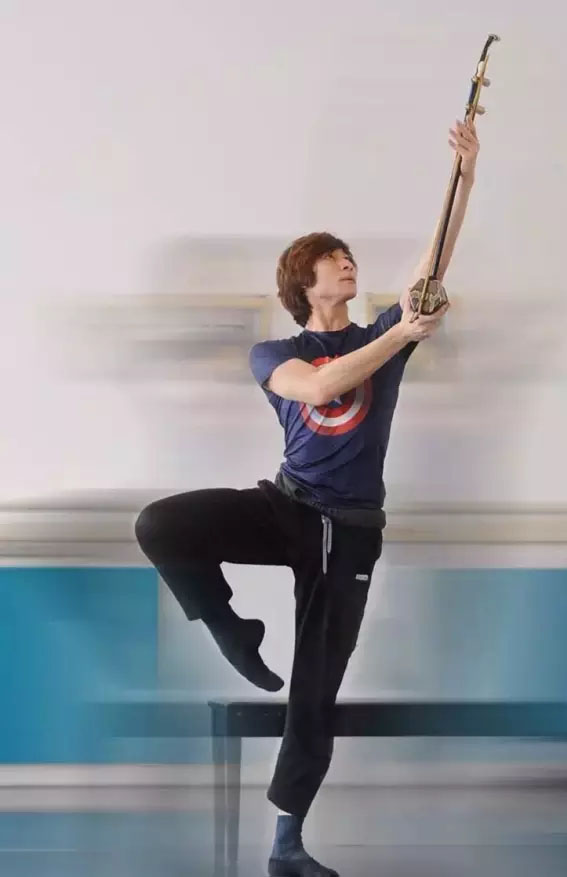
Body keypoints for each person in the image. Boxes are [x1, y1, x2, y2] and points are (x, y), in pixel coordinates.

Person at [135, 118, 480, 877]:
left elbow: (434, 262)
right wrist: (401, 336)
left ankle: (286, 842)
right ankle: (230, 628)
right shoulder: (278, 353)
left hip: (349, 532)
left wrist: (465, 174)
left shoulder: (382, 332)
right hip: (289, 506)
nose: (347, 262)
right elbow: (321, 388)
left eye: (349, 256)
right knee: (161, 523)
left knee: (315, 688)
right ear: (303, 282)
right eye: (333, 257)